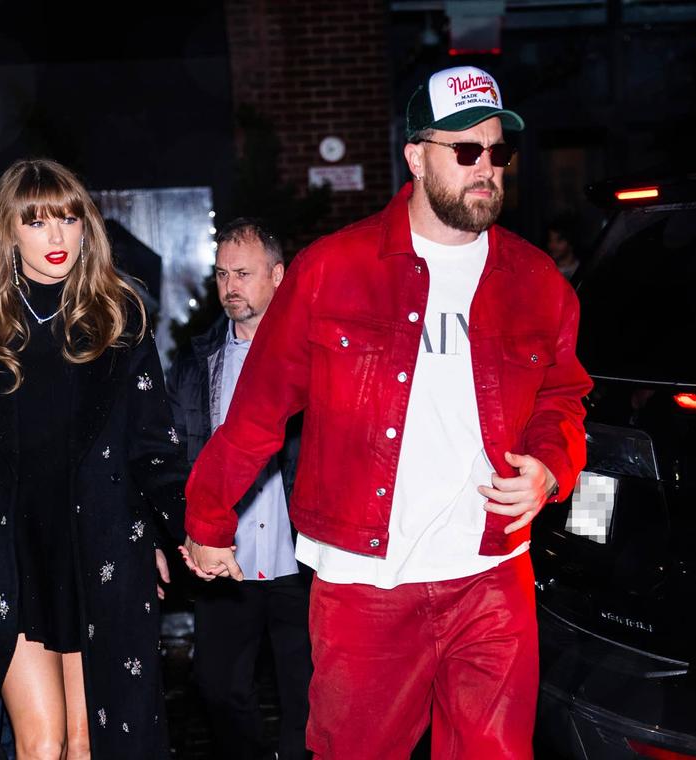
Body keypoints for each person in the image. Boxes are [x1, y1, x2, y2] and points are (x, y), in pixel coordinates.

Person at [181, 65, 591, 759]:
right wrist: (208, 517)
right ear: (416, 157)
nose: (485, 167)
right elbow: (258, 408)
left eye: (497, 151)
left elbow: (563, 393)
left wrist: (552, 465)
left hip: (493, 574)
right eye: (466, 149)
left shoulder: (537, 281)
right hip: (365, 582)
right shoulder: (332, 270)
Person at [0, 158, 188, 760]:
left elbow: (152, 446)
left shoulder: (120, 317)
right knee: (41, 744)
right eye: (36, 222)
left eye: (68, 218)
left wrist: (183, 530)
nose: (56, 235)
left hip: (99, 549)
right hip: (6, 554)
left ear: (87, 225)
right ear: (9, 231)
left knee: (89, 742)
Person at [166, 218, 310, 760]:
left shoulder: (313, 355)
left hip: (302, 558)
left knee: (308, 695)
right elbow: (176, 455)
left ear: (278, 275)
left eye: (243, 274)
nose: (230, 286)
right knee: (218, 687)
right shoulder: (197, 362)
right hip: (227, 560)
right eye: (222, 274)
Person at [546, 211, 582, 280]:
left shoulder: (580, 271)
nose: (552, 245)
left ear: (571, 242)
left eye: (559, 240)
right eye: (550, 240)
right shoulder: (546, 268)